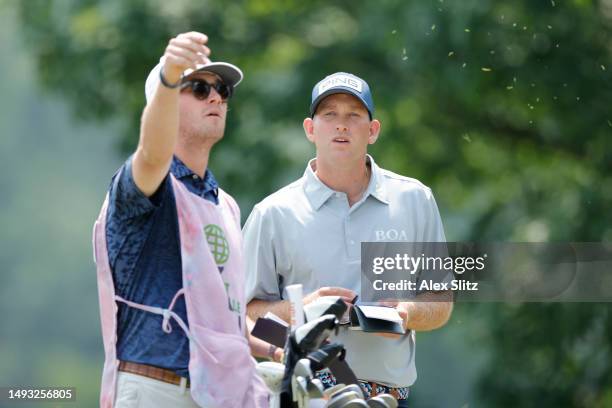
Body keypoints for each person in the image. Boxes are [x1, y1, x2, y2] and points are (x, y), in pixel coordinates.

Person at [244, 72, 453, 406]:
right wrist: (301, 313)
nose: (341, 125)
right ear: (310, 129)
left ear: (372, 131)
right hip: (306, 394)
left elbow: (441, 301)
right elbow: (244, 317)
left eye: (353, 115)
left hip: (389, 397)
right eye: (330, 115)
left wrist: (407, 312)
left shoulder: (414, 200)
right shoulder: (274, 213)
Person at [92, 31, 268, 408]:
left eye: (221, 89)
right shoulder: (146, 185)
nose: (217, 97)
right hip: (156, 389)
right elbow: (152, 154)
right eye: (199, 89)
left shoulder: (226, 206)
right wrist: (170, 76)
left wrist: (299, 330)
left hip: (216, 395)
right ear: (165, 102)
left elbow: (230, 315)